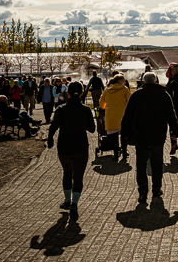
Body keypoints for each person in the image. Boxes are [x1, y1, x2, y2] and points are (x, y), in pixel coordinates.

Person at [121, 72, 178, 203]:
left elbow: (127, 116)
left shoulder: (136, 95)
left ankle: (142, 191)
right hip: (158, 135)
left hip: (140, 135)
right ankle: (156, 189)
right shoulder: (164, 95)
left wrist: (124, 134)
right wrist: (174, 132)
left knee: (141, 163)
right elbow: (171, 115)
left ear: (143, 82)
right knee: (157, 163)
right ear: (156, 81)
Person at [47, 82, 95, 221]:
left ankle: (67, 200)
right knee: (78, 177)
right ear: (82, 93)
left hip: (64, 147)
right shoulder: (85, 109)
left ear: (67, 93)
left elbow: (53, 126)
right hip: (80, 147)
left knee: (67, 173)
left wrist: (50, 139)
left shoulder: (61, 109)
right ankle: (74, 203)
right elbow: (92, 129)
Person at [100, 74, 131, 161]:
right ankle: (124, 152)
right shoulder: (124, 89)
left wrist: (104, 107)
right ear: (119, 81)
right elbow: (129, 101)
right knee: (124, 135)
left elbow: (101, 103)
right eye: (123, 80)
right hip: (122, 115)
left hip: (111, 116)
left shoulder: (107, 90)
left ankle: (116, 154)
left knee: (113, 137)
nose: (125, 82)